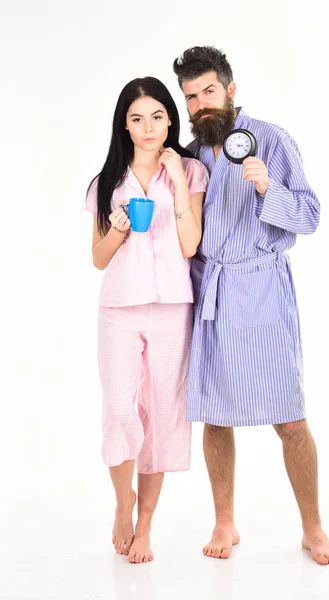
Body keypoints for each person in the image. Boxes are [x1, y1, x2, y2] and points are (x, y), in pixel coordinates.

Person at [172, 46, 329, 565]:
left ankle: (312, 528)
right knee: (216, 417)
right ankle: (225, 521)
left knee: (290, 418)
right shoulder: (192, 154)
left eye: (208, 91)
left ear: (231, 89)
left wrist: (270, 188)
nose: (201, 105)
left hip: (264, 290)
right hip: (212, 293)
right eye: (191, 97)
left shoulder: (272, 140)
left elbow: (310, 216)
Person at [85, 77, 209, 564]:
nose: (148, 126)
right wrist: (116, 229)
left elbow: (189, 245)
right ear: (125, 125)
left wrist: (177, 182)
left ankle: (146, 527)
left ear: (170, 120)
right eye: (137, 118)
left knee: (160, 414)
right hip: (118, 307)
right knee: (120, 411)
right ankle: (123, 503)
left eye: (157, 116)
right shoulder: (105, 183)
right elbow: (97, 259)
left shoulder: (192, 172)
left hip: (172, 306)